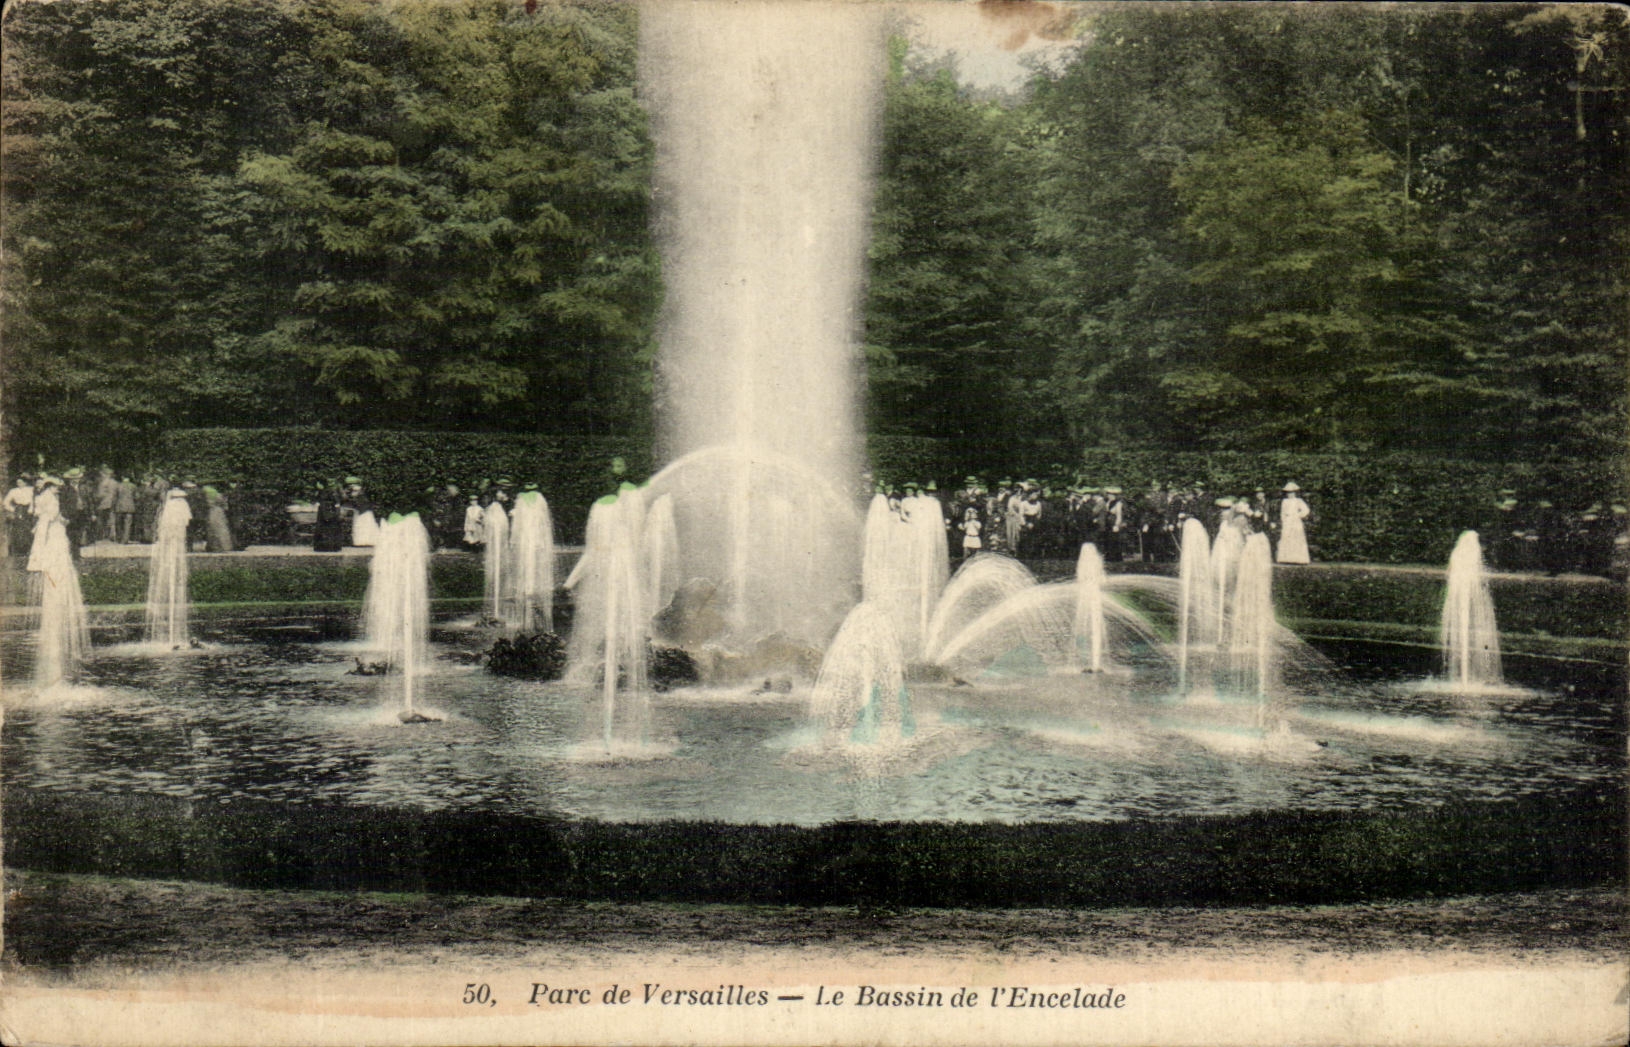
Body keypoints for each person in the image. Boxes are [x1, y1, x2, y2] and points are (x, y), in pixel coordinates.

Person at [1276, 483, 1311, 564]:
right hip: (1287, 522)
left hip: (1296, 521)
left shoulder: (1299, 501)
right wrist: (1284, 520)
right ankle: (1286, 559)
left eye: (1291, 492)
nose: (1290, 494)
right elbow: (1282, 512)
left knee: (1296, 538)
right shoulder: (1284, 501)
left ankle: (1299, 559)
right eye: (1288, 492)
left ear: (1295, 492)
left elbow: (1306, 510)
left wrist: (1298, 515)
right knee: (1287, 538)